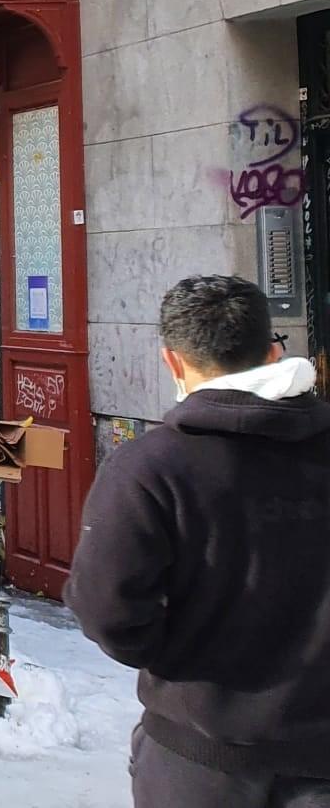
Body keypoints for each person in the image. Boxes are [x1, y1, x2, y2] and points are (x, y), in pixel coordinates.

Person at [66, 275, 330, 808]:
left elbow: (107, 610)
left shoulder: (148, 469)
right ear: (273, 350)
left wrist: (179, 653)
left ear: (173, 362)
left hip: (197, 764)